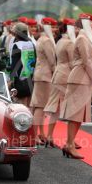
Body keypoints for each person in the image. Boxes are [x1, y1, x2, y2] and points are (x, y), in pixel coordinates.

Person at [60, 17, 92, 159]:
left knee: (79, 115)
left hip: (83, 78)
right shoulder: (83, 38)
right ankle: (69, 144)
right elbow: (86, 61)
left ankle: (70, 143)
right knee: (76, 114)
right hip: (80, 78)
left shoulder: (86, 38)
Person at [44, 18, 75, 147]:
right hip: (66, 75)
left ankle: (50, 135)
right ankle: (70, 140)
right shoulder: (69, 43)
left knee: (55, 107)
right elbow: (73, 62)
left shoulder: (61, 41)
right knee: (70, 109)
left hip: (58, 73)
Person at [30, 17, 57, 145]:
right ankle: (34, 135)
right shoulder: (47, 41)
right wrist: (55, 72)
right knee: (40, 107)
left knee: (38, 106)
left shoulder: (41, 39)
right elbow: (52, 60)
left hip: (40, 74)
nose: (55, 29)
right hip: (45, 75)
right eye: (53, 27)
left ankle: (38, 133)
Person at [9, 22, 36, 107]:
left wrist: (11, 80)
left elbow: (15, 65)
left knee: (20, 107)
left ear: (16, 33)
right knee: (28, 106)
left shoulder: (17, 46)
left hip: (20, 82)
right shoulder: (31, 44)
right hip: (30, 79)